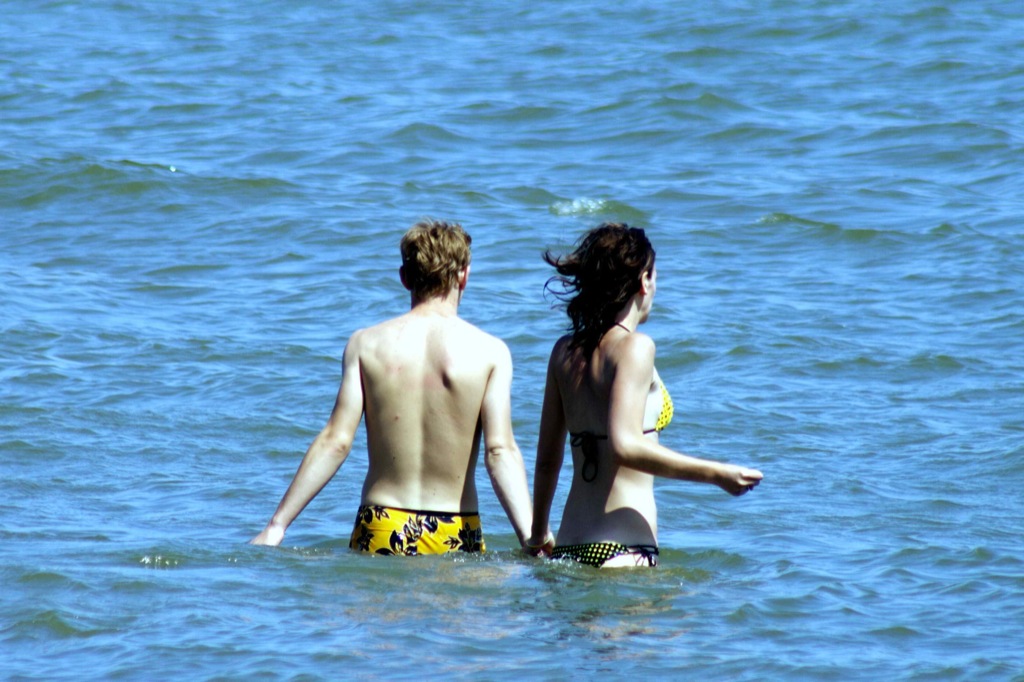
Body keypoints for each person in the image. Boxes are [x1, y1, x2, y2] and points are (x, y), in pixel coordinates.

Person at [252, 219, 533, 555]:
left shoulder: (365, 345)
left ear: (404, 278)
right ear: (464, 276)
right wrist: (531, 536)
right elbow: (499, 452)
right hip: (456, 529)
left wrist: (277, 525)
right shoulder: (490, 353)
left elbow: (336, 442)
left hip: (381, 524)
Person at [527, 223, 763, 567]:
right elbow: (624, 444)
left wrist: (537, 536)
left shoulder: (564, 351)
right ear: (644, 280)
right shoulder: (636, 347)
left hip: (567, 548)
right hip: (623, 551)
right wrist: (717, 474)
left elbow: (548, 459)